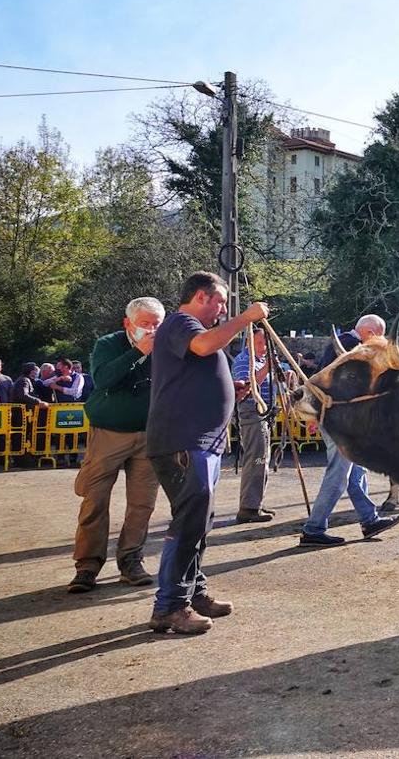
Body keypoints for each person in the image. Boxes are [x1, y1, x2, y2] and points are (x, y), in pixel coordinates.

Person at [146, 272, 269, 635]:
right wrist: (245, 318)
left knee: (200, 521)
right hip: (184, 442)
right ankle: (169, 605)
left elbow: (197, 369)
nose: (222, 310)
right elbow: (202, 347)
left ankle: (193, 593)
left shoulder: (188, 329)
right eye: (219, 303)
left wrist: (233, 389)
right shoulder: (180, 322)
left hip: (201, 442)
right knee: (188, 523)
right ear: (201, 297)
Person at [68, 297, 165, 594]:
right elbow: (103, 378)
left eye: (156, 324)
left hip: (149, 435)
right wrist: (139, 352)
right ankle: (87, 566)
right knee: (95, 499)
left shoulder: (167, 346)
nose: (151, 330)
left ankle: (131, 561)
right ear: (128, 323)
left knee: (142, 503)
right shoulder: (108, 344)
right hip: (107, 433)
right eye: (144, 324)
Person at [299, 315, 399, 548]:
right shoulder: (353, 348)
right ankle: (313, 529)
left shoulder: (341, 345)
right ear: (370, 334)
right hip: (340, 421)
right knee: (339, 475)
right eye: (377, 336)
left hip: (336, 417)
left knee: (356, 472)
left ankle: (369, 520)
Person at [231, 327, 276, 523]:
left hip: (264, 413)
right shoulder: (244, 361)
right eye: (259, 342)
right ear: (249, 342)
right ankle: (248, 507)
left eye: (265, 343)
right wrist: (268, 367)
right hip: (252, 413)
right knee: (256, 459)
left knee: (262, 460)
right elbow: (249, 387)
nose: (264, 346)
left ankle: (255, 502)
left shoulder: (259, 360)